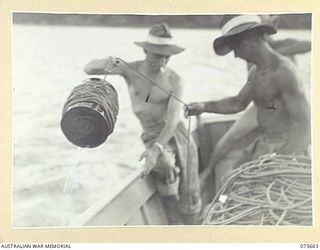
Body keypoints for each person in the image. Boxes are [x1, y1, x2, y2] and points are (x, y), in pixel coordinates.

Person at [84, 23, 201, 224]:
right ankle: (175, 227)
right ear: (145, 50)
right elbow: (88, 68)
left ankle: (194, 230)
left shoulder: (175, 80)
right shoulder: (130, 70)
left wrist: (156, 149)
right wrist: (105, 62)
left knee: (190, 191)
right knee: (165, 170)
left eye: (167, 55)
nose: (163, 60)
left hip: (177, 134)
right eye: (158, 54)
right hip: (151, 134)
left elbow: (173, 120)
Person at [185, 15, 310, 188]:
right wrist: (204, 106)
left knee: (258, 196)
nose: (235, 55)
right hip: (264, 143)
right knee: (229, 184)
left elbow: (306, 124)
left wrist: (281, 161)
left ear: (249, 39)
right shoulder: (255, 73)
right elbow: (238, 103)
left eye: (236, 47)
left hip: (286, 149)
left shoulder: (284, 71)